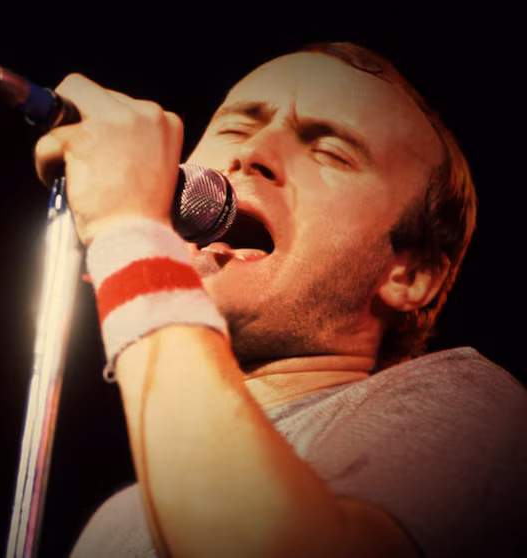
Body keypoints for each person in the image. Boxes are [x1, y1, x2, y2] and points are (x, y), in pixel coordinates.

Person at [33, 42, 527, 558]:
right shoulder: (114, 525)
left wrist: (130, 231)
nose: (254, 153)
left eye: (331, 151)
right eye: (236, 128)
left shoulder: (472, 406)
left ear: (411, 273)